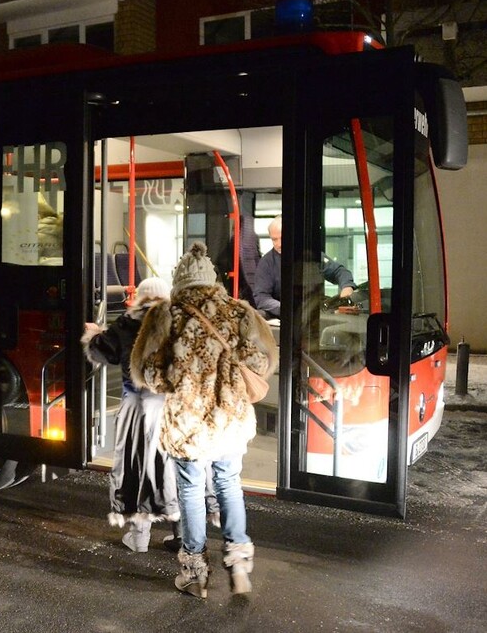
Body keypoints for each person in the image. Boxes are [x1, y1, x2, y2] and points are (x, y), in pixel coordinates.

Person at [131, 242, 277, 598]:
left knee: (192, 490)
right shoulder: (239, 313)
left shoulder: (167, 314)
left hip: (187, 421)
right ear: (212, 281)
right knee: (228, 483)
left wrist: (175, 382)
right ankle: (239, 560)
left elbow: (148, 371)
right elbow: (260, 363)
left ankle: (195, 571)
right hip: (229, 417)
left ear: (180, 281)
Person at [82, 277, 176, 552]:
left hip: (136, 407)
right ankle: (182, 534)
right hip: (170, 409)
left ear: (141, 297)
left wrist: (94, 332)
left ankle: (139, 537)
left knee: (136, 471)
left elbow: (101, 351)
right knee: (172, 469)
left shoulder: (128, 322)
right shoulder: (177, 323)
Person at [252, 215, 354, 319]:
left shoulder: (311, 255)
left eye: (283, 238)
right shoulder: (266, 263)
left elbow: (339, 272)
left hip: (315, 311)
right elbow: (261, 297)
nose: (279, 244)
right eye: (274, 239)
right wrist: (287, 309)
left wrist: (347, 286)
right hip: (284, 316)